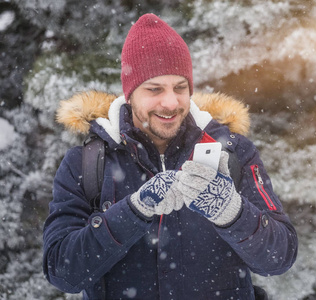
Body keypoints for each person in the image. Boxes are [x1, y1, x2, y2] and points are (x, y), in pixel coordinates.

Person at [43, 13, 298, 299]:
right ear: (130, 94)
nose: (170, 102)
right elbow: (62, 271)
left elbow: (280, 257)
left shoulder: (234, 151)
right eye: (154, 89)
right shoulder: (87, 162)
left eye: (180, 88)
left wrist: (232, 213)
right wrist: (134, 211)